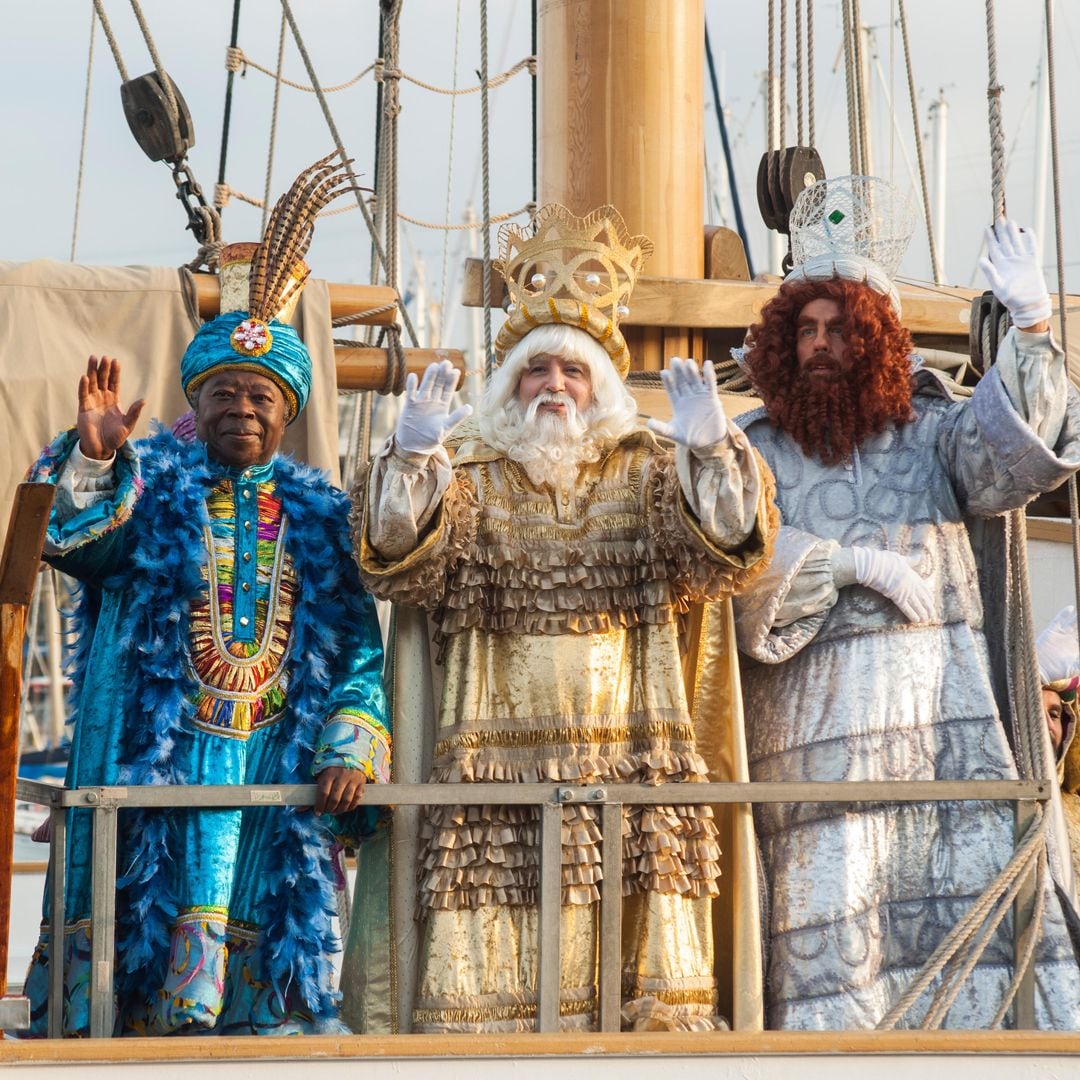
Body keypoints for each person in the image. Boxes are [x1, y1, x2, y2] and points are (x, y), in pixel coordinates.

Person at [350, 204, 777, 1031]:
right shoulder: (468, 471)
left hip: (634, 765)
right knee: (488, 1002)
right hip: (491, 782)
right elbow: (397, 557)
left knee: (640, 1006)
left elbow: (727, 552)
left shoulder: (652, 469)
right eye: (535, 371)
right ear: (510, 387)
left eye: (572, 372)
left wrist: (712, 453)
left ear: (601, 387)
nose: (553, 387)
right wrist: (409, 460)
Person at [21, 157, 390, 1037]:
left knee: (262, 964)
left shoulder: (323, 518)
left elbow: (357, 652)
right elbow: (77, 542)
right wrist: (100, 458)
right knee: (134, 938)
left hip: (272, 758)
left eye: (260, 394)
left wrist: (350, 745)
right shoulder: (151, 486)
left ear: (287, 412)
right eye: (222, 392)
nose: (241, 408)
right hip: (157, 748)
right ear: (197, 401)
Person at [731, 176, 1080, 1029]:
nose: (822, 345)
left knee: (963, 916)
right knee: (828, 931)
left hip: (940, 740)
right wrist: (837, 564)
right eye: (806, 330)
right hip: (811, 752)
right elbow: (726, 571)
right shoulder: (759, 448)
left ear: (877, 338)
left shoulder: (935, 432)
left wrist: (1033, 332)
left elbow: (1015, 465)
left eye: (842, 329)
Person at [1037, 606, 1080, 885]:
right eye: (1034, 712)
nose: (1047, 726)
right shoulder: (993, 803)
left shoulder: (1074, 805)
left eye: (1054, 714)